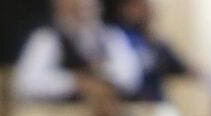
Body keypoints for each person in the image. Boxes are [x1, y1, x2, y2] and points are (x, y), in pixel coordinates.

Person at [12, 0, 142, 103]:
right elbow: (26, 83)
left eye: (87, 5)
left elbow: (130, 78)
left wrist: (101, 79)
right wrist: (76, 83)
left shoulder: (110, 37)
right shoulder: (46, 38)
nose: (83, 8)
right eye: (75, 5)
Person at [112, 0, 188, 103]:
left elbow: (180, 66)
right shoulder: (117, 37)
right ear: (126, 9)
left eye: (147, 7)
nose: (146, 11)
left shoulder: (155, 41)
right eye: (139, 6)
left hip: (156, 100)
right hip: (131, 102)